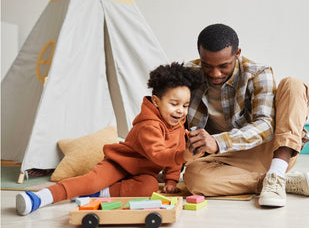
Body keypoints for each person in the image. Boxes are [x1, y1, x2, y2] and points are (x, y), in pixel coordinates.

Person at [16, 62, 203, 216]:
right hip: (119, 164)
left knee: (149, 187)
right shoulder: (148, 125)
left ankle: (98, 194)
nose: (181, 110)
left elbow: (173, 160)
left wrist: (170, 181)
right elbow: (160, 155)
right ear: (156, 101)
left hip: (143, 172)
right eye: (174, 104)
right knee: (90, 181)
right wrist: (184, 155)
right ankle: (41, 197)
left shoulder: (178, 126)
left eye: (185, 105)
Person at [183, 23, 309, 207]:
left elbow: (266, 124)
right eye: (207, 65)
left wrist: (218, 142)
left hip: (272, 152)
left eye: (223, 66)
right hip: (223, 161)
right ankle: (271, 182)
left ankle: (277, 172)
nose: (215, 73)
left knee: (292, 85)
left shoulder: (257, 73)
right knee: (194, 177)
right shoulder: (188, 73)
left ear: (237, 54)